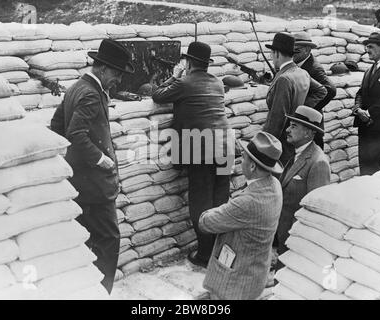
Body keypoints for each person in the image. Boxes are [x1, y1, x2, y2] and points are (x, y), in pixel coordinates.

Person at [50, 39, 135, 293]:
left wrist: (71, 163)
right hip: (96, 186)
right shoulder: (90, 93)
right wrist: (100, 159)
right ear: (103, 69)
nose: (118, 80)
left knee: (86, 242)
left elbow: (57, 125)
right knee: (108, 240)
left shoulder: (76, 87)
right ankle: (101, 293)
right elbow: (76, 134)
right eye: (117, 74)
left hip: (79, 182)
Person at [152, 41, 234, 268]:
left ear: (188, 63)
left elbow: (157, 95)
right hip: (225, 147)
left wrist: (173, 76)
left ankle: (205, 255)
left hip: (202, 149)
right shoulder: (217, 83)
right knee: (221, 201)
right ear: (206, 64)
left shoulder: (184, 82)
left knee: (201, 202)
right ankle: (219, 250)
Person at [199, 131, 283, 300]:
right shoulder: (274, 185)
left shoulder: (247, 203)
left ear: (252, 167)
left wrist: (219, 209)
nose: (240, 161)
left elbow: (206, 222)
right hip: (255, 275)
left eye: (244, 158)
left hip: (235, 283)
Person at [263, 32, 327, 165]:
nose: (272, 58)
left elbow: (277, 120)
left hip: (282, 142)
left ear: (277, 54)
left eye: (271, 54)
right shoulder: (302, 73)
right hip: (294, 136)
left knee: (281, 179)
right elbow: (322, 91)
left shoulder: (284, 79)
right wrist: (299, 113)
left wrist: (263, 148)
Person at [275, 106, 331, 260]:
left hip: (297, 239)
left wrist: (298, 238)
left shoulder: (318, 163)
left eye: (294, 126)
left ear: (308, 132)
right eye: (289, 125)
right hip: (284, 234)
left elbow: (315, 210)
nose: (287, 130)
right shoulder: (298, 154)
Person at [293, 31, 337, 150]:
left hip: (311, 124)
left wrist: (304, 109)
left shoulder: (314, 68)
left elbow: (331, 90)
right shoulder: (298, 64)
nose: (293, 54)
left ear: (307, 50)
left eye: (297, 51)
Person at [352, 32, 380, 176]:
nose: (367, 50)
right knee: (364, 165)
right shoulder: (368, 71)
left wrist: (369, 113)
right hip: (365, 128)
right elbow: (360, 92)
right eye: (366, 47)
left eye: (371, 46)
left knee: (377, 168)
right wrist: (358, 108)